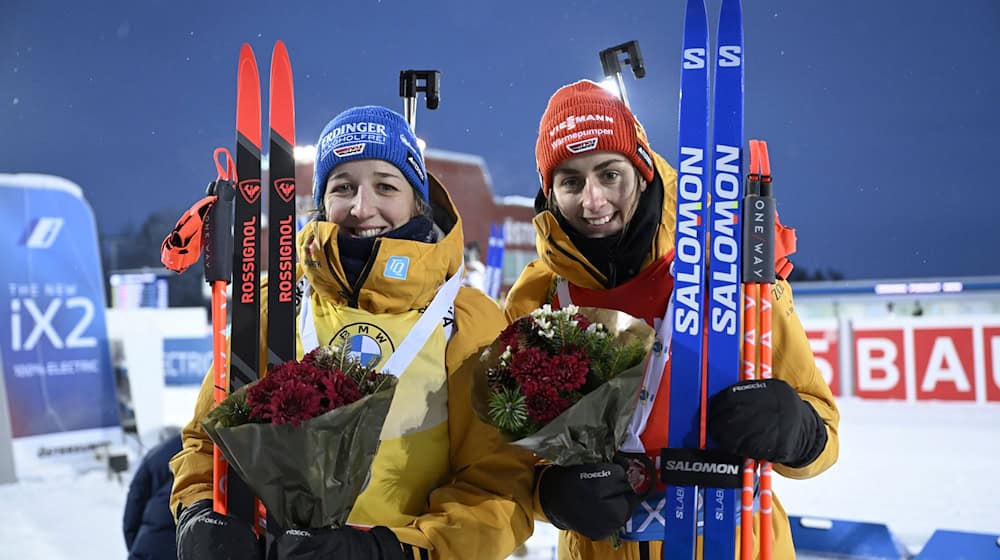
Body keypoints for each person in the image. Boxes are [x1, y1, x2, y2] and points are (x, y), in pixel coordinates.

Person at [169, 106, 536, 559]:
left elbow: (501, 485)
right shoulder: (275, 303)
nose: (362, 208)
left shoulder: (469, 319)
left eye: (385, 185)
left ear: (416, 199)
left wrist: (389, 552)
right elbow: (208, 445)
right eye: (343, 187)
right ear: (321, 201)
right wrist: (201, 513)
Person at [504, 80, 840, 559]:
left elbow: (824, 428)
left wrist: (798, 431)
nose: (593, 200)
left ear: (641, 172)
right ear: (550, 194)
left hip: (735, 542)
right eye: (571, 181)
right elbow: (512, 451)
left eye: (609, 174)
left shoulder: (725, 267)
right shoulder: (539, 297)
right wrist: (550, 494)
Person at [123, 431, 183, 560]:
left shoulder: (160, 452)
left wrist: (135, 543)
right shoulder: (222, 446)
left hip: (151, 543)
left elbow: (135, 500)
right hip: (194, 544)